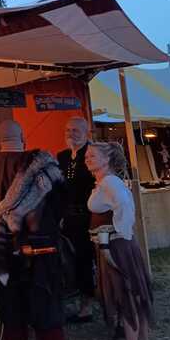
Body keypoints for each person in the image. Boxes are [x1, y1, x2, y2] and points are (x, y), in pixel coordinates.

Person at [0, 120, 89, 340]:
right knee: (46, 305)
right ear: (23, 137)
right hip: (39, 249)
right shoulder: (43, 163)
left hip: (1, 248)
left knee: (10, 302)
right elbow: (61, 201)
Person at [85, 142, 153, 340]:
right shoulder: (104, 182)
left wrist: (119, 231)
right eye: (86, 155)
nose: (87, 158)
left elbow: (124, 205)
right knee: (132, 290)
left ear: (107, 159)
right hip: (117, 243)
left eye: (93, 155)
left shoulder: (110, 182)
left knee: (125, 292)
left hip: (117, 246)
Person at [57, 117, 97, 323]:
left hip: (88, 216)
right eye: (67, 130)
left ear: (86, 133)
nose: (70, 133)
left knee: (84, 260)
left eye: (75, 130)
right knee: (69, 260)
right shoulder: (62, 156)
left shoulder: (93, 153)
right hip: (67, 218)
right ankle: (74, 298)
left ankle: (87, 305)